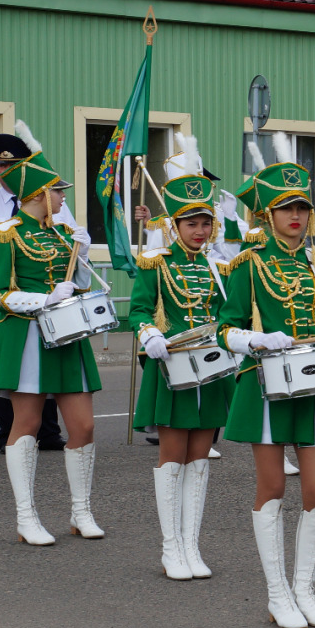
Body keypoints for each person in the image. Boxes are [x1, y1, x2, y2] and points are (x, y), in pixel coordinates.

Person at [219, 135, 315, 628]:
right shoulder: (247, 265)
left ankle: (306, 588)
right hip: (265, 383)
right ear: (266, 216)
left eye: (302, 206)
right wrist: (255, 340)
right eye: (285, 208)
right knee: (274, 485)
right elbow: (224, 326)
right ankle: (277, 592)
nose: (296, 216)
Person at [0, 123, 102, 546]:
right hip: (27, 338)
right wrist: (43, 299)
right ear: (37, 194)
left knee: (83, 426)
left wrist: (82, 259)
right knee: (26, 424)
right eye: (58, 191)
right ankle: (26, 516)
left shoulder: (65, 234)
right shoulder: (5, 234)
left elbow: (83, 286)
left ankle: (81, 511)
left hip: (68, 337)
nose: (63, 197)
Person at [130, 138, 233, 579]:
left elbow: (229, 311)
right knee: (172, 455)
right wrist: (149, 331)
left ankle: (192, 545)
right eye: (191, 222)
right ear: (173, 225)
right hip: (171, 365)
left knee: (200, 455)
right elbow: (136, 309)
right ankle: (171, 546)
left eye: (205, 222)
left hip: (210, 368)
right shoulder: (155, 262)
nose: (200, 230)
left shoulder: (218, 266)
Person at [0, 134, 80, 453]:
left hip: (52, 298)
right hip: (4, 291)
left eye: (11, 165)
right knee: (11, 362)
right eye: (0, 165)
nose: (3, 171)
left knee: (50, 359)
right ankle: (8, 429)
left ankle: (49, 431)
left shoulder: (52, 202)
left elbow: (73, 242)